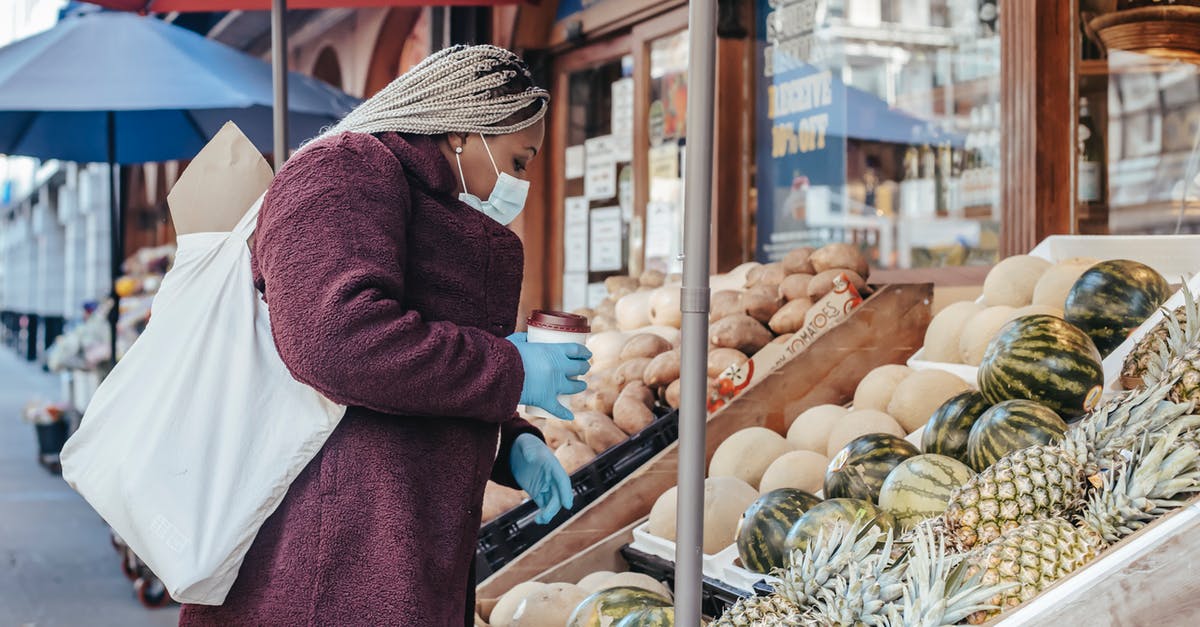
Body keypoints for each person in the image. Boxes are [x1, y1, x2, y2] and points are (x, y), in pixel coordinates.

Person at [179, 45, 588, 626]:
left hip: (393, 537)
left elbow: (416, 353)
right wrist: (509, 369)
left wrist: (508, 437)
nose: (522, 184)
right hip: (330, 547)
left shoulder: (417, 192)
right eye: (520, 162)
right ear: (466, 131)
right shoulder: (342, 169)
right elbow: (335, 339)